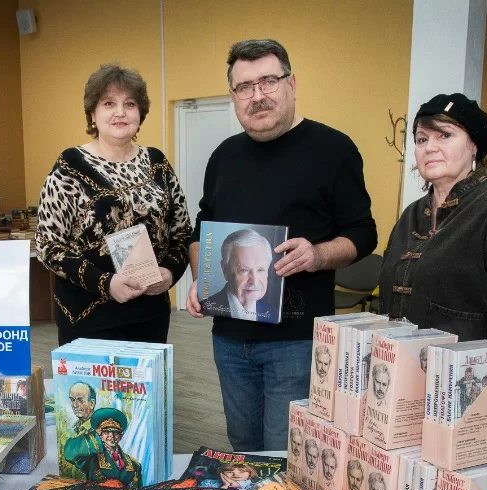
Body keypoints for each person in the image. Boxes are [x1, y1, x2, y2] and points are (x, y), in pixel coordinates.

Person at [186, 39, 377, 451]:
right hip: (230, 338)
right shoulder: (223, 156)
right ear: (233, 96)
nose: (257, 95)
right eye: (244, 87)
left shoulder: (334, 149)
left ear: (291, 83)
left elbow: (364, 233)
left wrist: (318, 254)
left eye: (268, 81)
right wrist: (202, 278)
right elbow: (202, 227)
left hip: (297, 339)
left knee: (284, 450)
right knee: (242, 446)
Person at [378, 93, 487, 367]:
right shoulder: (411, 215)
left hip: (464, 379)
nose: (429, 147)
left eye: (444, 135)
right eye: (422, 139)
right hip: (403, 373)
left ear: (474, 146)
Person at [36, 64, 192, 346]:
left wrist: (170, 272)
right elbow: (48, 247)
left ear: (140, 114)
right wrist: (105, 283)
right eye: (109, 103)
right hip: (88, 318)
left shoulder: (157, 162)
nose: (120, 112)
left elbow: (181, 233)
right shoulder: (70, 166)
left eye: (129, 104)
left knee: (149, 378)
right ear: (92, 114)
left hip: (150, 314)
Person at [200, 229, 278, 322]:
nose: (254, 281)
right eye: (244, 270)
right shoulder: (207, 307)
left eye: (260, 270)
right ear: (225, 270)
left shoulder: (273, 313)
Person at [64, 407, 142, 486]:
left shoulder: (134, 465)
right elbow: (69, 453)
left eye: (115, 433)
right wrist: (94, 436)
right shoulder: (92, 459)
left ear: (120, 437)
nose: (111, 436)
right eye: (106, 432)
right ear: (100, 435)